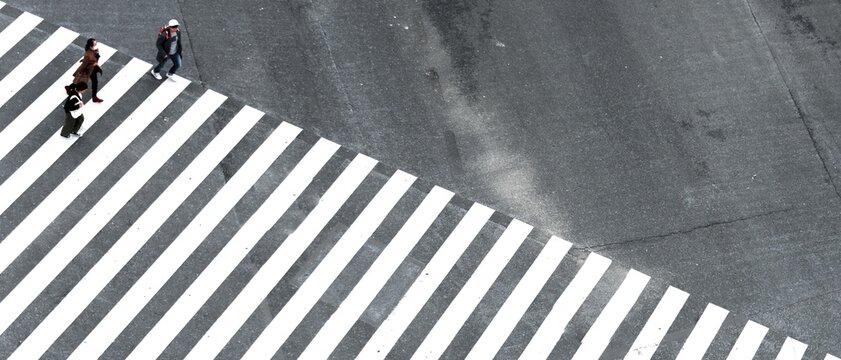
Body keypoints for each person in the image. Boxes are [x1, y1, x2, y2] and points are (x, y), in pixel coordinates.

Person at [71, 38, 103, 103]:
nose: (96, 43)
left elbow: (95, 59)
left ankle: (94, 97)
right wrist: (93, 65)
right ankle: (70, 87)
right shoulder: (88, 53)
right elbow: (85, 64)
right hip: (87, 70)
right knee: (81, 82)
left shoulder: (95, 50)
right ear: (91, 45)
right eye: (95, 42)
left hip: (92, 70)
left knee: (94, 82)